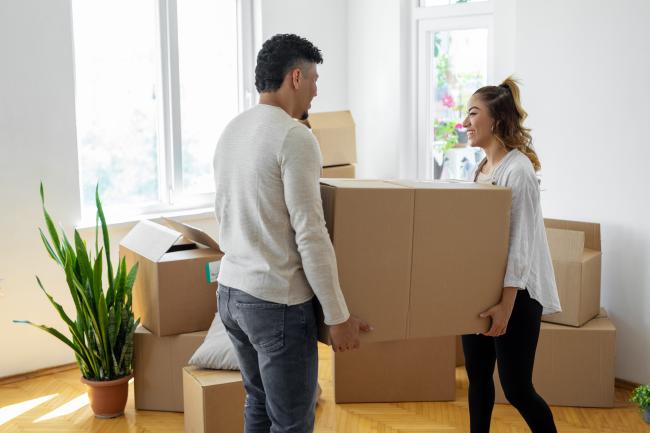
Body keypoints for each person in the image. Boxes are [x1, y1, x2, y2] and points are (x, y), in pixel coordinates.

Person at [213, 33, 370, 433]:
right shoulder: (294, 136)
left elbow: (226, 212)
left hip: (232, 293)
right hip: (275, 302)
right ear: (296, 77)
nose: (317, 91)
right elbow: (311, 233)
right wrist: (338, 316)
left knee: (259, 403)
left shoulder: (232, 130)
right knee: (292, 423)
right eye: (315, 79)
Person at [461, 77, 562, 433]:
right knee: (478, 380)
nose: (465, 122)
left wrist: (505, 305)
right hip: (481, 291)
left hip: (517, 295)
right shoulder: (480, 170)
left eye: (473, 113)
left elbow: (520, 246)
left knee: (517, 388)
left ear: (497, 120)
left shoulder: (518, 171)